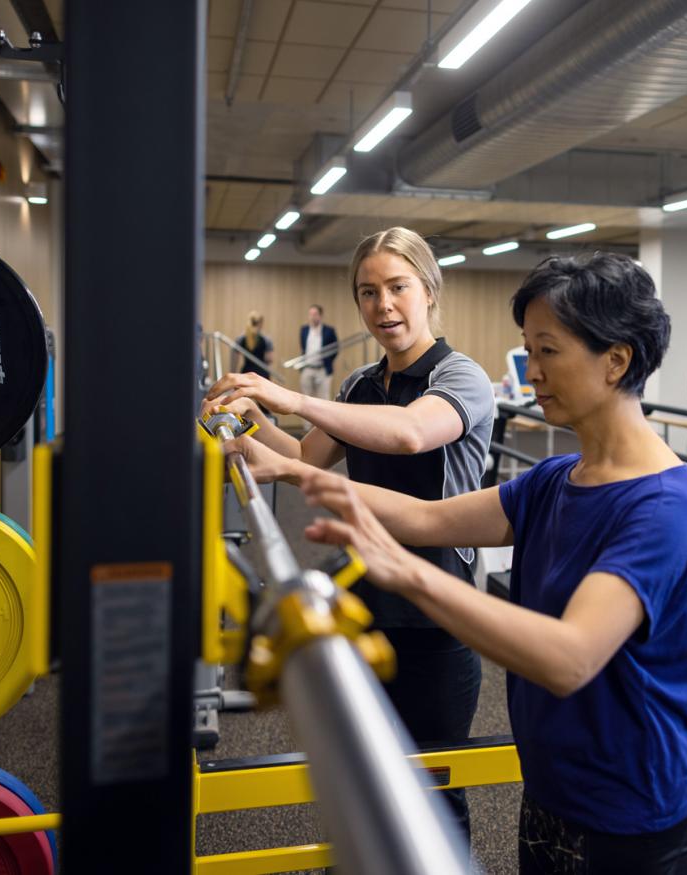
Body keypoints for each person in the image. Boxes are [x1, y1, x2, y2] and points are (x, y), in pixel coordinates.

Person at [227, 252, 687, 874]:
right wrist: (303, 473)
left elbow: (569, 657)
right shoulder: (556, 479)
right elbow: (428, 518)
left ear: (616, 360)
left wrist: (408, 574)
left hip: (627, 811)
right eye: (528, 351)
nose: (530, 372)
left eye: (548, 352)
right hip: (551, 787)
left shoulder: (662, 506)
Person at [203, 226, 495, 842]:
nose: (383, 305)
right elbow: (307, 458)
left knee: (436, 796)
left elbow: (411, 433)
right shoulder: (360, 386)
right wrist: (255, 425)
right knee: (368, 778)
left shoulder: (461, 377)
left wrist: (291, 397)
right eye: (368, 292)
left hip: (438, 611)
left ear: (429, 290)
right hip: (365, 601)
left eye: (397, 287)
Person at [298, 305, 338, 403]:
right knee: (305, 400)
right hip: (307, 368)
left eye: (315, 314)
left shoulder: (329, 330)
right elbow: (303, 347)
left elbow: (335, 349)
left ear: (320, 316)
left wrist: (327, 360)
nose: (312, 317)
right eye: (310, 314)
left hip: (322, 369)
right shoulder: (304, 329)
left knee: (323, 399)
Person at [232, 311, 273, 378]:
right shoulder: (266, 340)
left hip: (247, 374)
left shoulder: (240, 339)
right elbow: (269, 359)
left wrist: (233, 375)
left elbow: (234, 361)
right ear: (261, 324)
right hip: (262, 375)